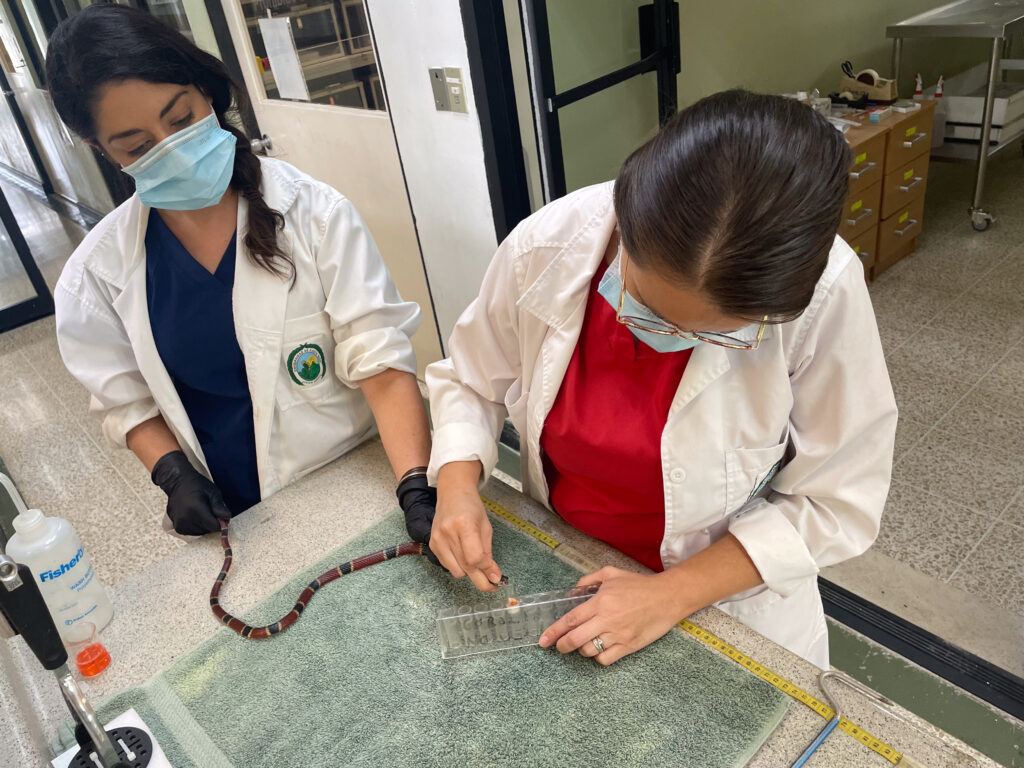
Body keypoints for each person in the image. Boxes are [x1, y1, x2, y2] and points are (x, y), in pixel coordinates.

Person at [425, 90, 897, 669]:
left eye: (715, 335)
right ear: (625, 217)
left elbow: (836, 502)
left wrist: (670, 595)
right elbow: (471, 378)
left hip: (726, 601)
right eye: (643, 303)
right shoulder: (548, 245)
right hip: (564, 563)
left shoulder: (825, 296)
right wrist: (456, 487)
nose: (657, 338)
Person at [46, 5, 436, 549]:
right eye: (137, 146)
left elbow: (380, 359)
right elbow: (125, 402)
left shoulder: (315, 214)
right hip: (236, 519)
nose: (171, 149)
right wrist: (172, 473)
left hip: (354, 484)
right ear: (99, 148)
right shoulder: (95, 277)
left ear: (205, 92)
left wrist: (416, 487)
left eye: (181, 119)